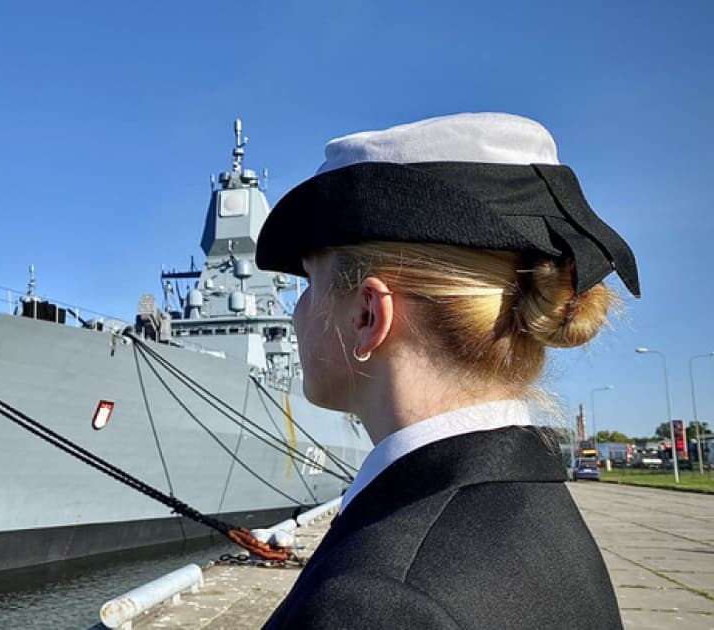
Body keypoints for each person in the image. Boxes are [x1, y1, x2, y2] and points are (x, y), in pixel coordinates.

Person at [256, 113, 634, 629]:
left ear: (367, 315)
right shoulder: (533, 512)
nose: (296, 312)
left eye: (309, 282)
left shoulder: (377, 601)